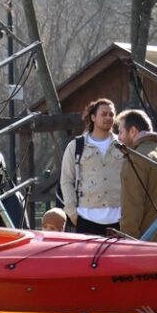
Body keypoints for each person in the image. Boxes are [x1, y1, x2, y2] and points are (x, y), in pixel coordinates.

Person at [59, 98, 123, 235]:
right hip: (86, 219)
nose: (108, 118)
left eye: (111, 114)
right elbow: (66, 180)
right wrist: (71, 212)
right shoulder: (76, 146)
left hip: (120, 220)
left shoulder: (123, 145)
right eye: (104, 114)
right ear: (93, 117)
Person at [117, 108, 157, 242]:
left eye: (120, 132)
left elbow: (132, 207)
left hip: (148, 242)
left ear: (132, 131)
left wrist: (127, 242)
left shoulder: (135, 158)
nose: (118, 138)